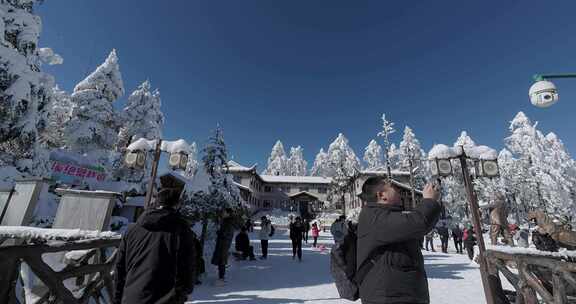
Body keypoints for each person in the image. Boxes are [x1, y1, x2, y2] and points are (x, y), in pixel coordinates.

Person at [356, 177, 441, 304]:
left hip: (396, 295)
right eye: (392, 186)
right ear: (381, 195)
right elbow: (418, 223)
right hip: (388, 297)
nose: (398, 189)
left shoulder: (382, 216)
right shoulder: (375, 217)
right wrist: (429, 201)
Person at [114, 187, 197, 304]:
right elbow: (187, 266)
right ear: (177, 205)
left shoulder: (132, 229)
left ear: (156, 202)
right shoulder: (181, 230)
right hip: (166, 298)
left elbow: (120, 268)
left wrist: (117, 298)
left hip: (131, 297)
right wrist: (183, 293)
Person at [211, 208, 235, 286]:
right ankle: (221, 277)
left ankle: (221, 278)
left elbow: (226, 234)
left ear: (228, 214)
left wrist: (219, 232)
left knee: (222, 261)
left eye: (224, 212)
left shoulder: (228, 223)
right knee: (221, 261)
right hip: (223, 244)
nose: (222, 213)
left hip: (223, 244)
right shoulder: (226, 221)